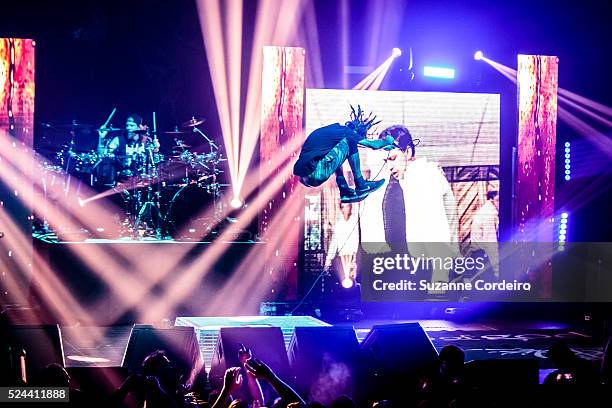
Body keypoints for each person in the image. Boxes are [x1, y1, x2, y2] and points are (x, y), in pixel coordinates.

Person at [360, 125, 459, 290]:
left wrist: (439, 281)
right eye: (385, 161)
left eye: (392, 159)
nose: (389, 167)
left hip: (426, 269)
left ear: (407, 152)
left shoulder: (427, 177)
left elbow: (438, 232)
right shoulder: (403, 177)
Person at [293, 105, 395, 203]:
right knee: (350, 141)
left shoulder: (332, 133)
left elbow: (335, 159)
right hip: (316, 173)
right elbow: (373, 145)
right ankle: (361, 184)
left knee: (340, 152)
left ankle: (344, 190)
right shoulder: (345, 132)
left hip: (306, 177)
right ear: (356, 130)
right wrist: (387, 141)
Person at [324, 202, 359, 287]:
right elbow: (334, 243)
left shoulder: (354, 222)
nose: (347, 209)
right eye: (344, 207)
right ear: (341, 209)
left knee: (354, 280)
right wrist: (328, 261)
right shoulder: (339, 225)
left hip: (354, 257)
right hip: (342, 257)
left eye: (348, 206)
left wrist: (355, 258)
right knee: (342, 282)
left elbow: (357, 240)